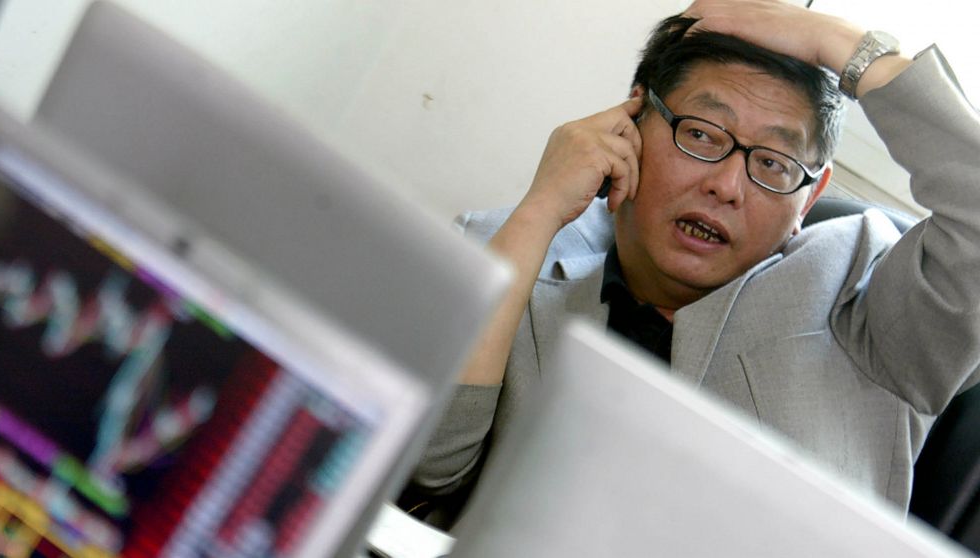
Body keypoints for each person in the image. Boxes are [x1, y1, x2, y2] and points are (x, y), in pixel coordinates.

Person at [409, 0, 980, 527]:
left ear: (809, 198)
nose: (727, 186)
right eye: (702, 135)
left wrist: (844, 46)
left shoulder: (862, 300)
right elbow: (424, 470)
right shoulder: (513, 253)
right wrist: (539, 211)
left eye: (773, 164)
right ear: (631, 118)